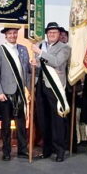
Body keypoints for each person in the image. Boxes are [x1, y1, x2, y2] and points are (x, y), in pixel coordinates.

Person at [31, 21, 70, 162]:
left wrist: (40, 53)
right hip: (41, 86)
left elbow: (56, 62)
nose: (52, 34)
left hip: (55, 87)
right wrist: (34, 63)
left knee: (57, 119)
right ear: (46, 34)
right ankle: (46, 149)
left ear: (59, 34)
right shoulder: (41, 45)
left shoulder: (64, 48)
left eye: (55, 32)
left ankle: (60, 151)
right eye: (49, 32)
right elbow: (39, 64)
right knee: (43, 119)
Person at [0, 26, 29, 161]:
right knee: (6, 124)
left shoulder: (23, 49)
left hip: (20, 91)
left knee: (21, 123)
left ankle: (22, 150)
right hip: (5, 92)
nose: (12, 35)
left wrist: (30, 89)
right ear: (5, 35)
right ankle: (6, 151)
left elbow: (27, 71)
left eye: (14, 33)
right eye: (10, 33)